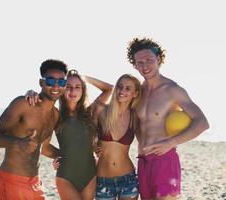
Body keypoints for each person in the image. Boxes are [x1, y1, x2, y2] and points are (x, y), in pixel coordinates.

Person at [126, 37, 209, 200]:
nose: (145, 66)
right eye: (140, 62)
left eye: (149, 60)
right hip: (143, 162)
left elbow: (202, 122)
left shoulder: (172, 90)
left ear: (158, 59)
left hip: (164, 160)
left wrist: (172, 142)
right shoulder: (138, 92)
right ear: (134, 65)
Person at [25, 69, 113, 200]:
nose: (73, 91)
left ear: (83, 90)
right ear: (62, 89)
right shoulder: (54, 115)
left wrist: (84, 78)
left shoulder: (91, 113)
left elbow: (109, 89)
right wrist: (61, 155)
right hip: (66, 176)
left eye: (78, 87)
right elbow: (44, 147)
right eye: (68, 87)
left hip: (90, 175)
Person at [0, 59, 68, 200]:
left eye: (61, 82)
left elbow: (45, 148)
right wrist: (17, 143)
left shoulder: (55, 115)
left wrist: (69, 157)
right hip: (12, 180)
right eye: (50, 81)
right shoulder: (23, 104)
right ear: (41, 82)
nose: (56, 85)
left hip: (35, 182)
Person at [94, 74, 141, 200]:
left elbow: (146, 139)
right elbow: (88, 135)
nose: (122, 91)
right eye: (120, 86)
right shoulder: (101, 110)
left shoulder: (135, 117)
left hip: (128, 179)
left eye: (128, 88)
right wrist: (81, 76)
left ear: (135, 93)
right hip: (102, 180)